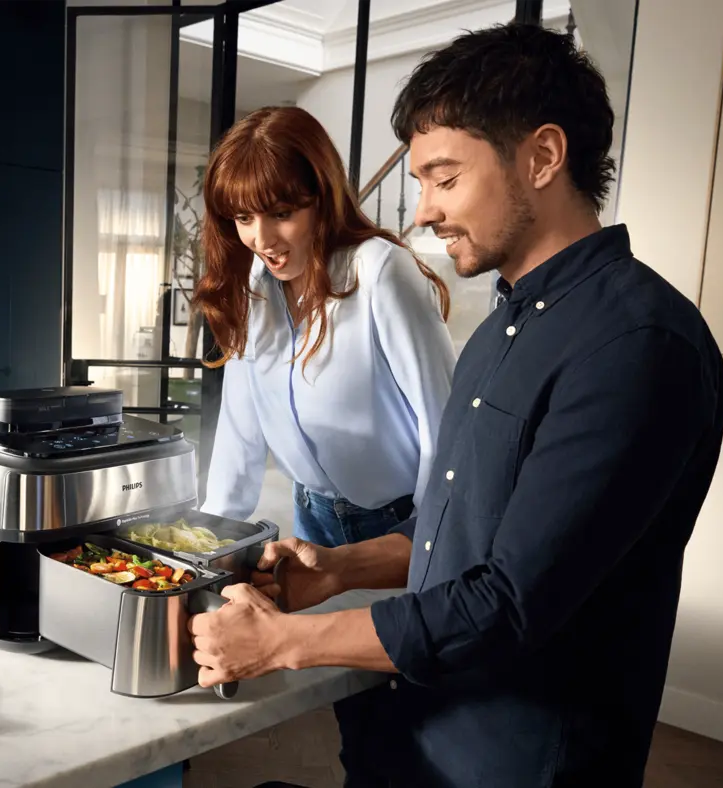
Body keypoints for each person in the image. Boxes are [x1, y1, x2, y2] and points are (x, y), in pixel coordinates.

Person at [188, 22, 723, 787]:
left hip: (517, 762)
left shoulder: (638, 346)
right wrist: (338, 567)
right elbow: (458, 530)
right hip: (427, 731)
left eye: (443, 180)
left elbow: (509, 602)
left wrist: (284, 643)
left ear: (543, 156)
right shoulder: (505, 327)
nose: (421, 213)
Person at [192, 105, 457, 786]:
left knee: (416, 714)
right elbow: (239, 440)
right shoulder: (251, 292)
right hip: (313, 523)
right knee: (354, 715)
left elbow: (445, 430)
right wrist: (206, 555)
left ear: (322, 196)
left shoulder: (379, 273)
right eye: (243, 218)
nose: (262, 238)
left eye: (281, 212)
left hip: (400, 527)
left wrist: (433, 547)